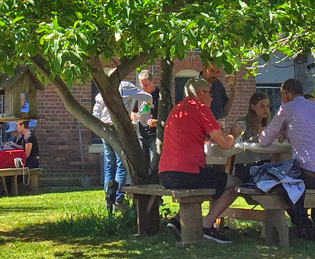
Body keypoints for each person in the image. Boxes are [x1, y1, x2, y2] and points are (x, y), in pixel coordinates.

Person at [159, 77, 240, 244]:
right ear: (201, 93)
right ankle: (207, 226)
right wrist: (234, 133)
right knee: (235, 183)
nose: (212, 99)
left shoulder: (178, 109)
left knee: (209, 182)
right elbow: (225, 144)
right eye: (210, 94)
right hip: (186, 173)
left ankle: (176, 221)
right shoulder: (200, 108)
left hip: (165, 174)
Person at [259, 78, 315, 239]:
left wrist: (260, 133)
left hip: (310, 178)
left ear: (288, 95)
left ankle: (303, 223)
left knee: (276, 182)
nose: (281, 97)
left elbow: (264, 140)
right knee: (313, 170)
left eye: (281, 94)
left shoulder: (286, 109)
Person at [93, 76, 154, 206]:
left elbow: (95, 115)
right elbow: (148, 97)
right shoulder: (124, 86)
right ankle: (119, 198)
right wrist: (146, 106)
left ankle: (108, 197)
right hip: (118, 129)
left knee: (110, 165)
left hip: (105, 130)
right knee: (121, 164)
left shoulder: (101, 93)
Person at [133, 70, 160, 175]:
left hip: (155, 135)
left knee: (154, 164)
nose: (143, 87)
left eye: (146, 84)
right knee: (143, 165)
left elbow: (168, 116)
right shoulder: (140, 95)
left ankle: (155, 185)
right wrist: (135, 116)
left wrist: (157, 122)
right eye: (141, 85)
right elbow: (132, 113)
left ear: (152, 81)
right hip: (141, 135)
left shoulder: (159, 95)